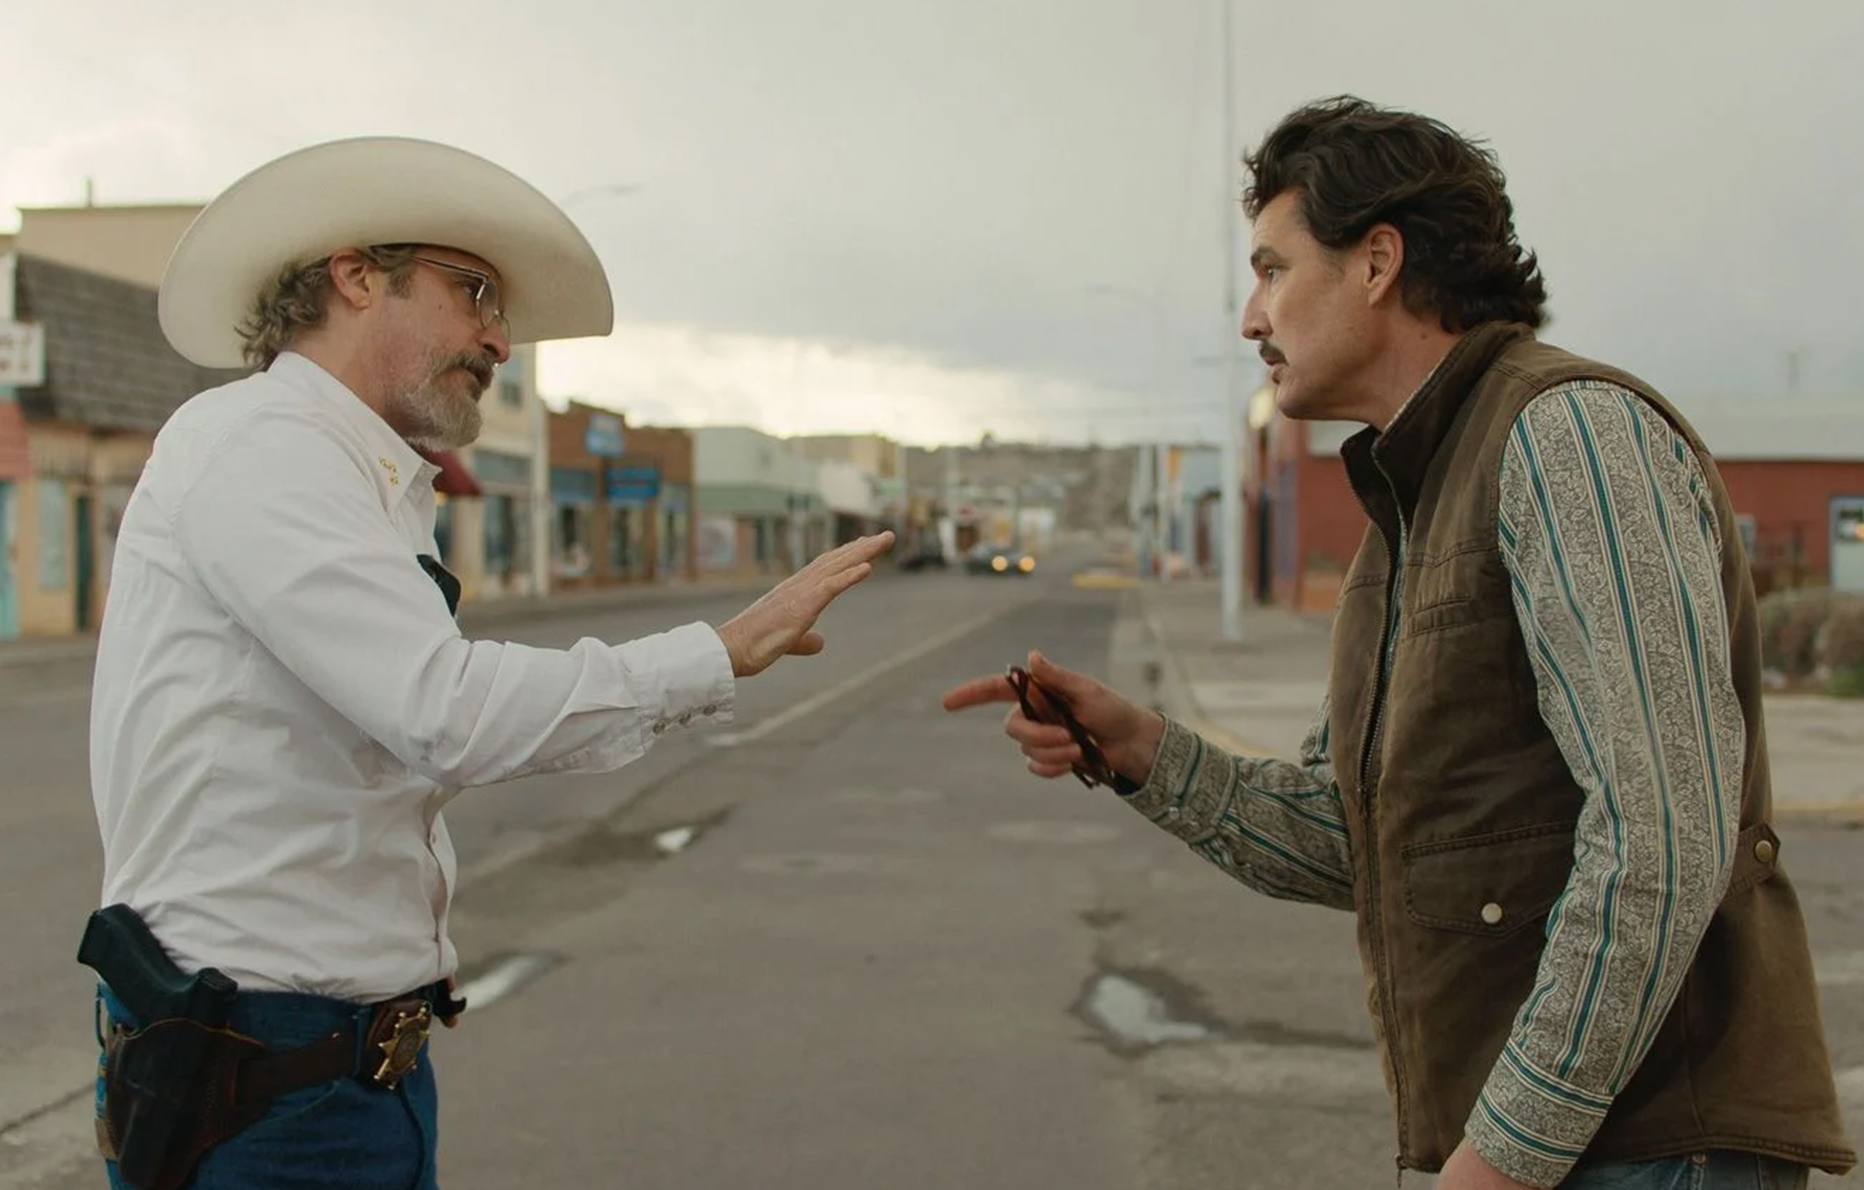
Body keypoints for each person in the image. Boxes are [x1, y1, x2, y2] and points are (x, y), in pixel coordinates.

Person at [944, 97, 1854, 1190]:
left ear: (1377, 261)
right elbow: (1359, 843)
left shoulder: (1565, 437)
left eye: (1272, 268)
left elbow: (1661, 837)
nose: (1249, 316)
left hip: (1653, 1149)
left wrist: (1502, 1157)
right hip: (1557, 1151)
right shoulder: (1406, 511)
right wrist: (1141, 749)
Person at [85, 135, 893, 1190]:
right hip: (261, 1077)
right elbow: (444, 710)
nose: (500, 338)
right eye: (474, 293)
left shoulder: (356, 474)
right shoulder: (263, 446)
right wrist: (716, 652)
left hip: (329, 1064)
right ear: (357, 273)